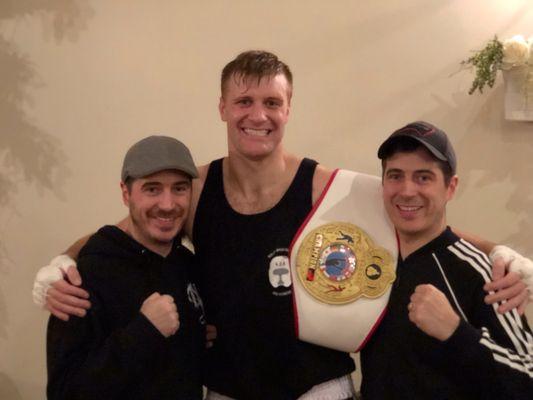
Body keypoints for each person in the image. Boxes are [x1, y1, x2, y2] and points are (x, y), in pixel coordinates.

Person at [34, 51, 532, 400]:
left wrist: (504, 254)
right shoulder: (195, 187)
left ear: (288, 109)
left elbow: (420, 223)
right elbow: (127, 231)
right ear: (223, 108)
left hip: (317, 388)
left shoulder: (325, 186)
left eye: (272, 102)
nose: (259, 115)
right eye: (245, 102)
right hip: (224, 388)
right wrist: (63, 262)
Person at [360, 121, 533, 399]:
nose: (406, 190)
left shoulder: (484, 274)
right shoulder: (371, 258)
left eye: (423, 177)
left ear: (450, 187)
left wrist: (456, 333)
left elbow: (528, 376)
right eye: (395, 176)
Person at [46, 136, 206, 399]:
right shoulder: (83, 278)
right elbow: (65, 392)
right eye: (152, 189)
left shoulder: (186, 265)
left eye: (179, 189)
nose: (167, 204)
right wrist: (143, 332)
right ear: (125, 193)